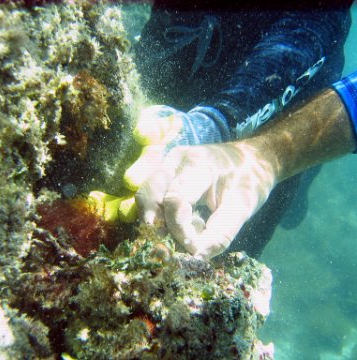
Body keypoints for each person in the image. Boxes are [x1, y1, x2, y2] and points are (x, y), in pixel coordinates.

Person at [122, 0, 353, 257]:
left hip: (294, 69)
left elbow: (319, 15)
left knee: (218, 239)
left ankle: (298, 194)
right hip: (191, 31)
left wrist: (220, 126)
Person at [134, 71, 357, 260]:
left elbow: (311, 33)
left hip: (295, 98)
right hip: (214, 77)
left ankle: (300, 189)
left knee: (243, 236)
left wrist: (264, 158)